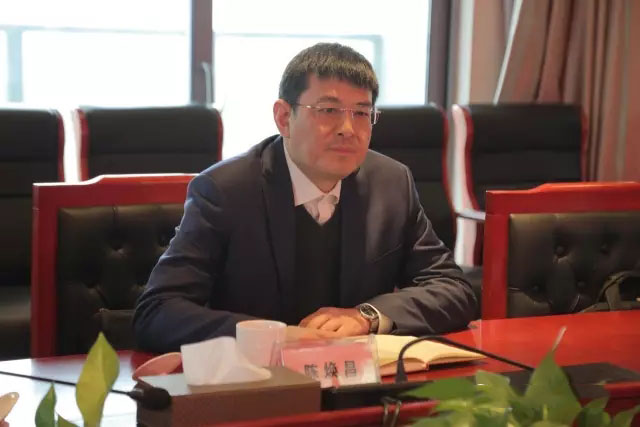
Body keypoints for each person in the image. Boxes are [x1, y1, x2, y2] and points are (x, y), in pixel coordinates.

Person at [134, 43, 476, 353]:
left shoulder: (391, 184)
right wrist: (274, 336)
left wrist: (367, 316)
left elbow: (453, 288)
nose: (348, 129)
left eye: (361, 113)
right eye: (328, 110)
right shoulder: (226, 191)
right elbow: (158, 311)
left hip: (363, 383)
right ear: (284, 118)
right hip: (258, 385)